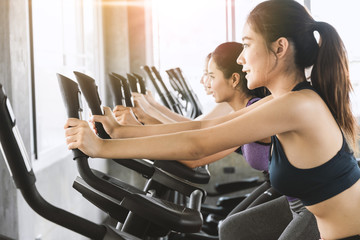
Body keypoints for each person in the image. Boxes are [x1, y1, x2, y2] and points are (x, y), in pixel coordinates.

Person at [64, 0, 360, 238]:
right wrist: (119, 133)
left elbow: (198, 145)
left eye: (247, 44)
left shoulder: (297, 106)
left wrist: (102, 148)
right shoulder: (282, 101)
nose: (241, 58)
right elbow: (204, 127)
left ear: (279, 48)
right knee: (233, 229)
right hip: (316, 218)